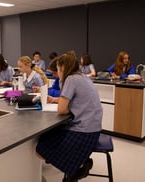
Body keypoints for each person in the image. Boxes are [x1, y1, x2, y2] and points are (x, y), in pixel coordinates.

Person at [36, 52, 102, 182]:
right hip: (94, 130)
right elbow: (77, 101)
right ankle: (78, 166)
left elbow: (62, 110)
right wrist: (56, 99)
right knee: (50, 136)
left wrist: (60, 103)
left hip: (83, 131)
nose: (57, 74)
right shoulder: (82, 77)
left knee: (40, 149)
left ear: (62, 68)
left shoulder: (70, 79)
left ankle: (77, 168)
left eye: (57, 71)